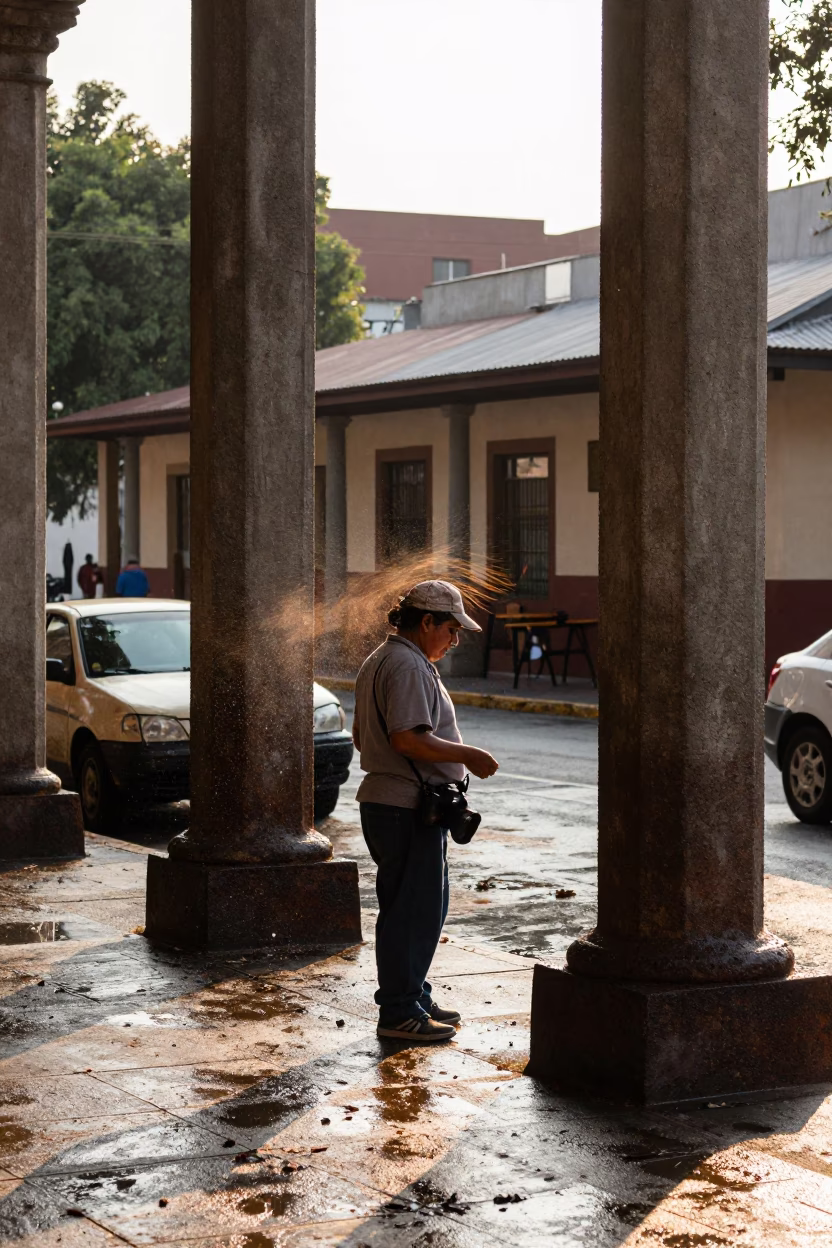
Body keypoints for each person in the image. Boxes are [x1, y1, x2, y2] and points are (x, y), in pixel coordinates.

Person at [353, 580, 500, 1043]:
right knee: (412, 911)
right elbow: (407, 738)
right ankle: (399, 1010)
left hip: (394, 802)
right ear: (427, 622)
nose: (454, 641)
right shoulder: (406, 666)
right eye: (450, 630)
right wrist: (468, 754)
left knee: (418, 907)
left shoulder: (383, 659)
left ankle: (413, 994)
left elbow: (365, 738)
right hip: (405, 806)